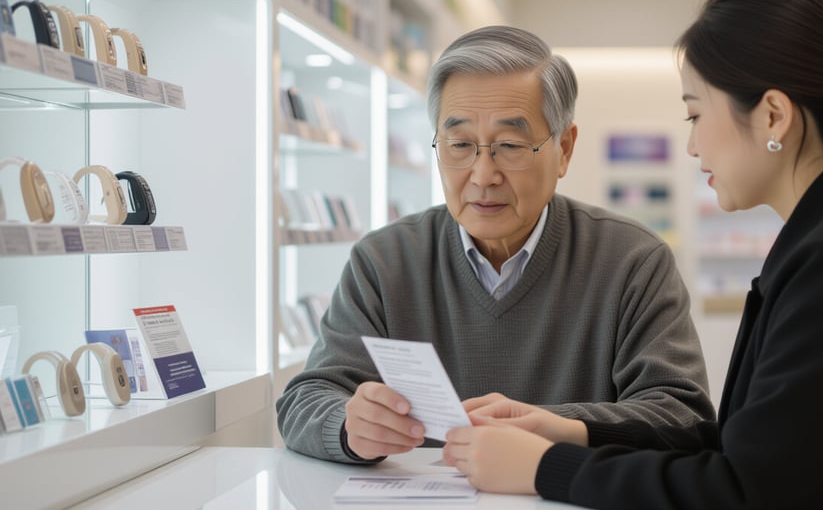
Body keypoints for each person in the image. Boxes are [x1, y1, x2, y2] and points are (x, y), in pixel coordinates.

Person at [442, 0, 823, 509]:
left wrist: (549, 468)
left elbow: (744, 493)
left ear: (773, 116)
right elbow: (761, 449)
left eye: (695, 115)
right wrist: (575, 431)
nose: (693, 147)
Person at [276, 25, 715, 464]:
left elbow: (682, 416)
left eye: (509, 145)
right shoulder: (385, 261)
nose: (483, 174)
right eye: (461, 144)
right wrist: (350, 427)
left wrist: (553, 428)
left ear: (564, 148)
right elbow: (305, 400)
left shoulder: (632, 261)